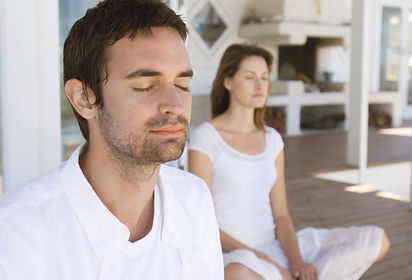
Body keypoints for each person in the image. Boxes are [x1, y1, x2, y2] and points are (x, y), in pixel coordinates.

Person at [0, 1, 224, 279]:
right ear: (84, 98)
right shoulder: (15, 236)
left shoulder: (194, 198)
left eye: (182, 85)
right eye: (145, 86)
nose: (175, 105)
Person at [188, 43, 390, 280]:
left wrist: (296, 262)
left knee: (376, 240)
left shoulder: (272, 140)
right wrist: (268, 262)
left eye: (264, 78)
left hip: (278, 247)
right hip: (236, 256)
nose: (260, 85)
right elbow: (204, 221)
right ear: (228, 81)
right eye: (250, 77)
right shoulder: (206, 138)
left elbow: (281, 214)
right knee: (238, 275)